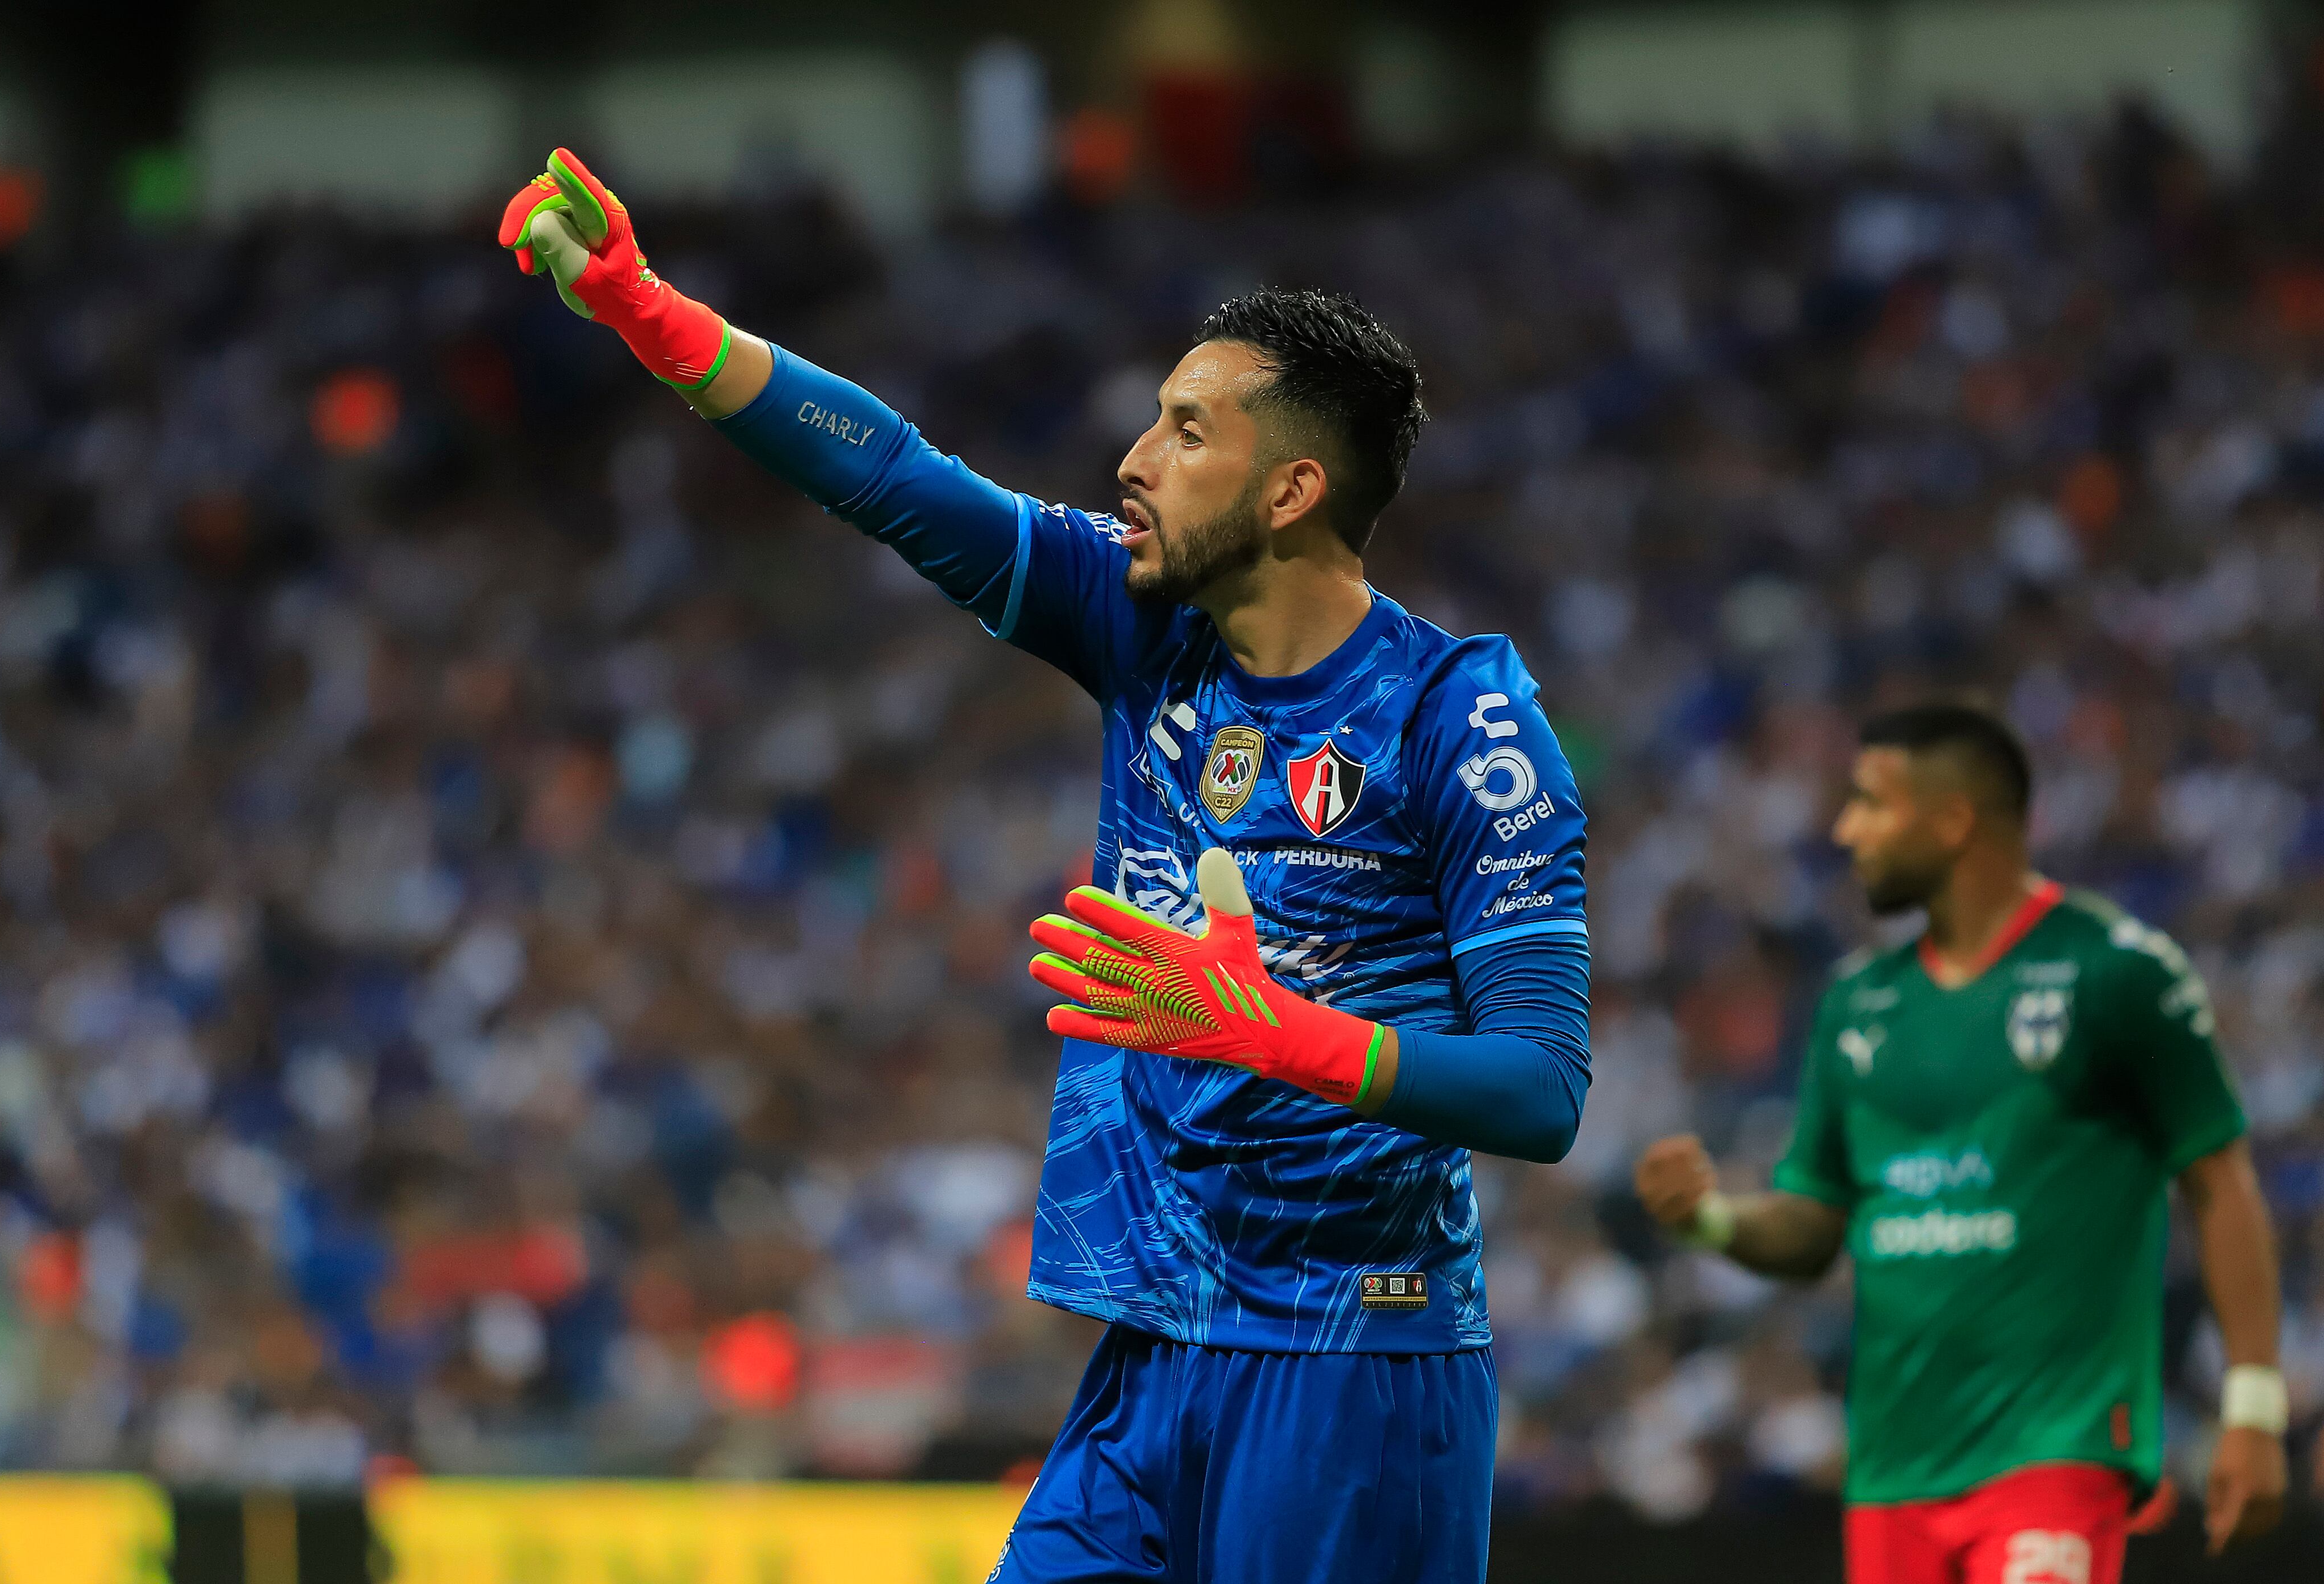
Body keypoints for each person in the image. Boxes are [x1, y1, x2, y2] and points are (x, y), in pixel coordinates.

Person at [501, 152, 1593, 1581]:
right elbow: (892, 475)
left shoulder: (1463, 722)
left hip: (1355, 1362)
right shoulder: (1141, 623)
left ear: (1291, 489)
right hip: (1155, 1356)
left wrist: (1271, 1029)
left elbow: (1542, 1090)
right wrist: (646, 309)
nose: (1133, 460)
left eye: (1187, 432)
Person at [1635, 703, 2289, 1583]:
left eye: (1871, 802)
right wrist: (1710, 1220)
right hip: (1895, 1469)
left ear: (1952, 821)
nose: (1844, 827)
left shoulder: (2118, 972)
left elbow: (2222, 1181)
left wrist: (2253, 1405)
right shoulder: (1858, 1003)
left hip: (2055, 1451)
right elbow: (1814, 1225)